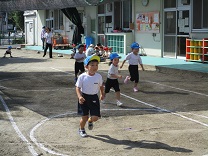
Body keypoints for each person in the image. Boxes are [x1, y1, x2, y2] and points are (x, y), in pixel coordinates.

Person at [75, 55, 105, 137]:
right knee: (84, 116)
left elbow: (101, 86)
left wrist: (102, 94)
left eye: (96, 65)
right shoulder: (82, 77)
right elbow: (78, 88)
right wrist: (79, 96)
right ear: (86, 67)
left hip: (94, 97)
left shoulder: (98, 76)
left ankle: (90, 120)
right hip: (84, 97)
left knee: (95, 117)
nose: (95, 67)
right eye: (92, 65)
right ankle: (81, 129)